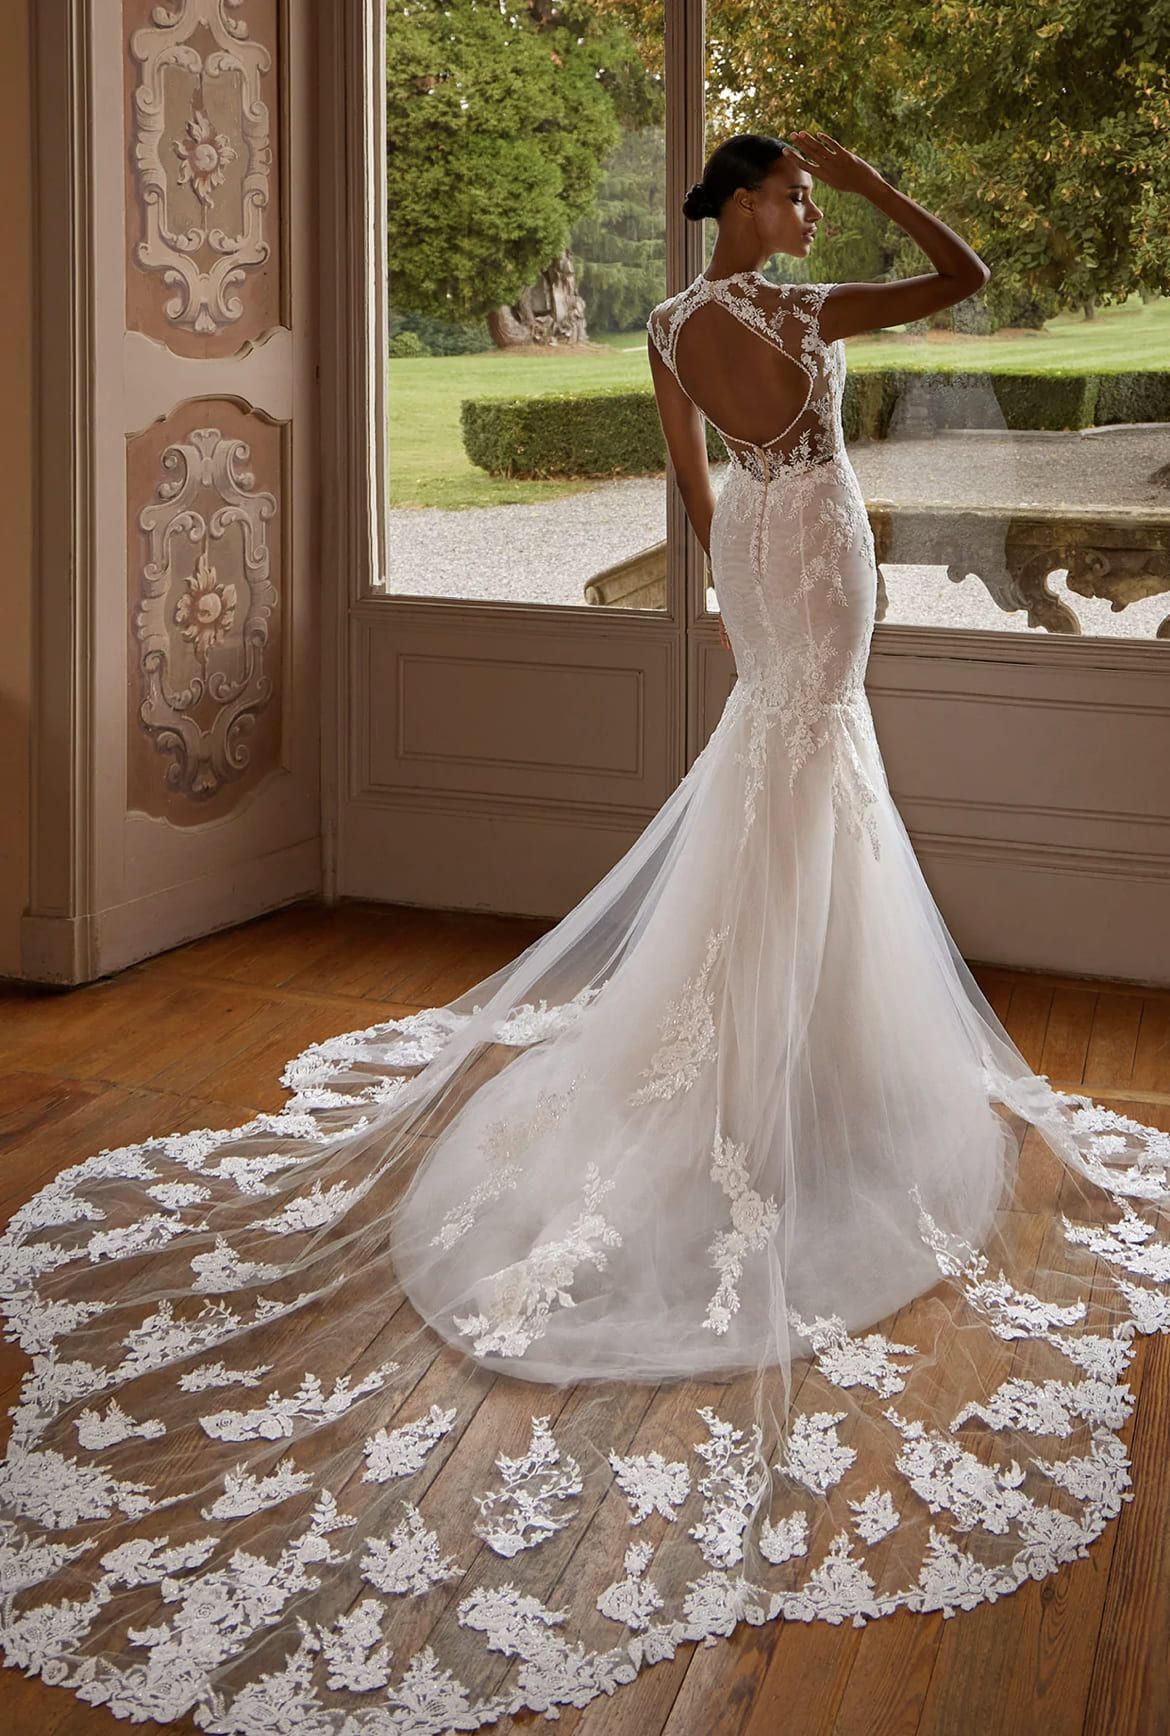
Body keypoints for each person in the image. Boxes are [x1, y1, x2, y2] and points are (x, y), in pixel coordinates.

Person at [0, 132, 1166, 1736]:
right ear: (742, 204)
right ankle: (797, 1069)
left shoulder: (667, 327)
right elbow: (963, 277)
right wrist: (879, 189)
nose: (807, 212)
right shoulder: (804, 312)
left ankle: (781, 1032)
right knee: (812, 765)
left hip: (761, 555)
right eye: (791, 192)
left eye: (812, 198)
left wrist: (724, 568)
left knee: (789, 758)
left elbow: (690, 483)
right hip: (814, 542)